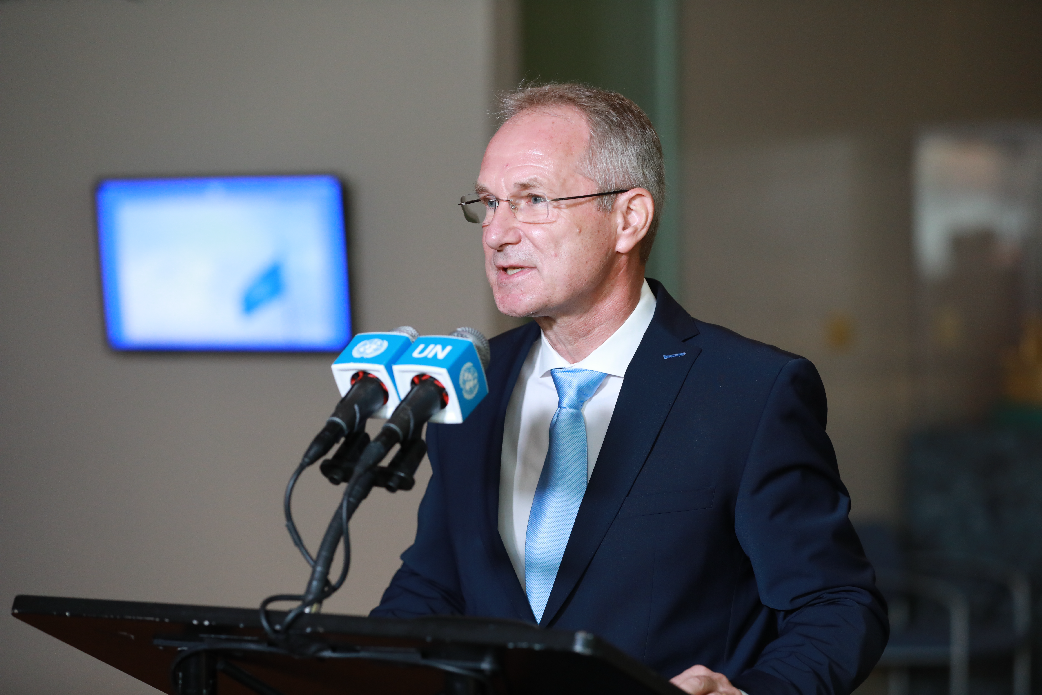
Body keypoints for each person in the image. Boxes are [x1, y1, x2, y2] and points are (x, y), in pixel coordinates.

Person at [372, 83, 888, 695]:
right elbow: (434, 586)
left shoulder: (750, 392)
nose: (495, 233)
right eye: (488, 203)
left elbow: (835, 603)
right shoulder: (469, 380)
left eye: (532, 199)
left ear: (628, 219)